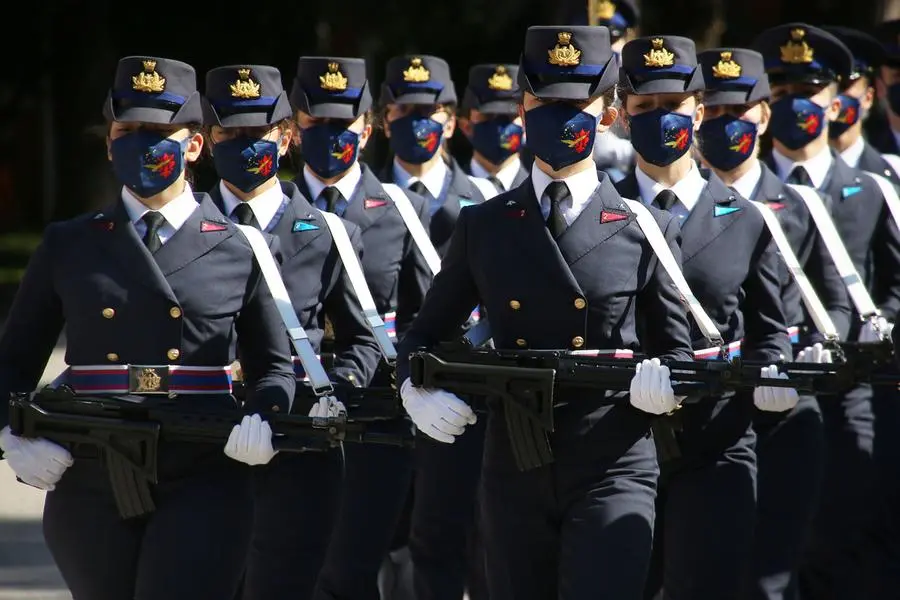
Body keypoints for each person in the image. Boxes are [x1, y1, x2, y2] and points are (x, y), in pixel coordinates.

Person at [397, 25, 697, 600]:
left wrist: (669, 386)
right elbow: (425, 335)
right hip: (514, 462)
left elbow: (676, 351)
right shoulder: (483, 225)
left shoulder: (646, 228)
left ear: (607, 114)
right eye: (544, 102)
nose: (559, 116)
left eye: (575, 103)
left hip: (613, 458)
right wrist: (416, 390)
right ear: (523, 107)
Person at [0, 56, 295, 600]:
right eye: (128, 131)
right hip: (89, 469)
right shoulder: (71, 243)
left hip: (203, 468)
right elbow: (14, 358)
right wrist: (10, 433)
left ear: (195, 145)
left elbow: (273, 364)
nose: (141, 144)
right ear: (109, 141)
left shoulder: (239, 244)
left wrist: (265, 415)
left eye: (158, 132)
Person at [613, 35, 797, 599]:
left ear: (698, 106)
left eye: (674, 104)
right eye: (644, 108)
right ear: (621, 116)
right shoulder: (602, 210)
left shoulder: (746, 219)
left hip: (717, 438)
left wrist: (774, 374)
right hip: (619, 443)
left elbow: (770, 329)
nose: (661, 118)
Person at [201, 63, 383, 600]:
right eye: (230, 134)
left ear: (285, 137)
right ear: (209, 141)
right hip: (203, 442)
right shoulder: (184, 229)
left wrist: (336, 392)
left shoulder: (330, 234)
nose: (245, 145)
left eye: (258, 134)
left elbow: (361, 339)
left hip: (300, 443)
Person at [694, 47, 852, 600]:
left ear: (763, 115)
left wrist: (812, 352)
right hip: (701, 413)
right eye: (712, 112)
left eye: (738, 111)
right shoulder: (674, 208)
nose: (725, 124)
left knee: (770, 579)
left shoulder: (799, 204)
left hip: (785, 414)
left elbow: (834, 302)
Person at [752, 23, 900, 599]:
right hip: (760, 393)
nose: (794, 103)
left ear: (835, 99)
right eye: (781, 89)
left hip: (850, 394)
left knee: (845, 541)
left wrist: (864, 330)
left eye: (807, 89)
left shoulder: (871, 189)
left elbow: (892, 286)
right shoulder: (740, 192)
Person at [287, 55, 432, 600]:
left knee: (349, 572)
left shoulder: (401, 210)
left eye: (343, 123)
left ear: (368, 128)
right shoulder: (271, 213)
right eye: (316, 122)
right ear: (295, 131)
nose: (330, 134)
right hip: (289, 412)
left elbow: (427, 316)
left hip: (375, 418)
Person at [378, 54, 487, 256]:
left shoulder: (485, 199)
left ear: (450, 124)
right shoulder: (364, 199)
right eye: (403, 109)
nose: (415, 121)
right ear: (386, 123)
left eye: (427, 110)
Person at [824, 27, 899, 184]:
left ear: (868, 97)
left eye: (844, 86)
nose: (836, 99)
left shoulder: (892, 174)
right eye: (825, 88)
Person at [458, 63, 529, 194]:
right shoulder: (445, 191)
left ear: (526, 125)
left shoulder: (540, 192)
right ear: (466, 126)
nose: (498, 125)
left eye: (509, 116)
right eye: (488, 116)